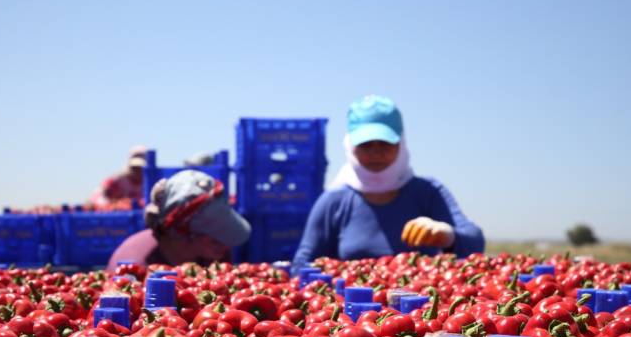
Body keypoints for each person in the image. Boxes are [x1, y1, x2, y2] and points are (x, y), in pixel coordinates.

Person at [292, 95, 484, 269]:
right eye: (366, 145)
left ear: (401, 144)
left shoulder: (428, 192)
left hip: (420, 305)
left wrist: (448, 236)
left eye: (385, 143)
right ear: (350, 147)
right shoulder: (334, 202)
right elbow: (302, 265)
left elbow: (475, 244)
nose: (376, 153)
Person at [107, 169, 251, 268]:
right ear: (183, 234)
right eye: (216, 236)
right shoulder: (135, 266)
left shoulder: (213, 256)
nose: (226, 244)